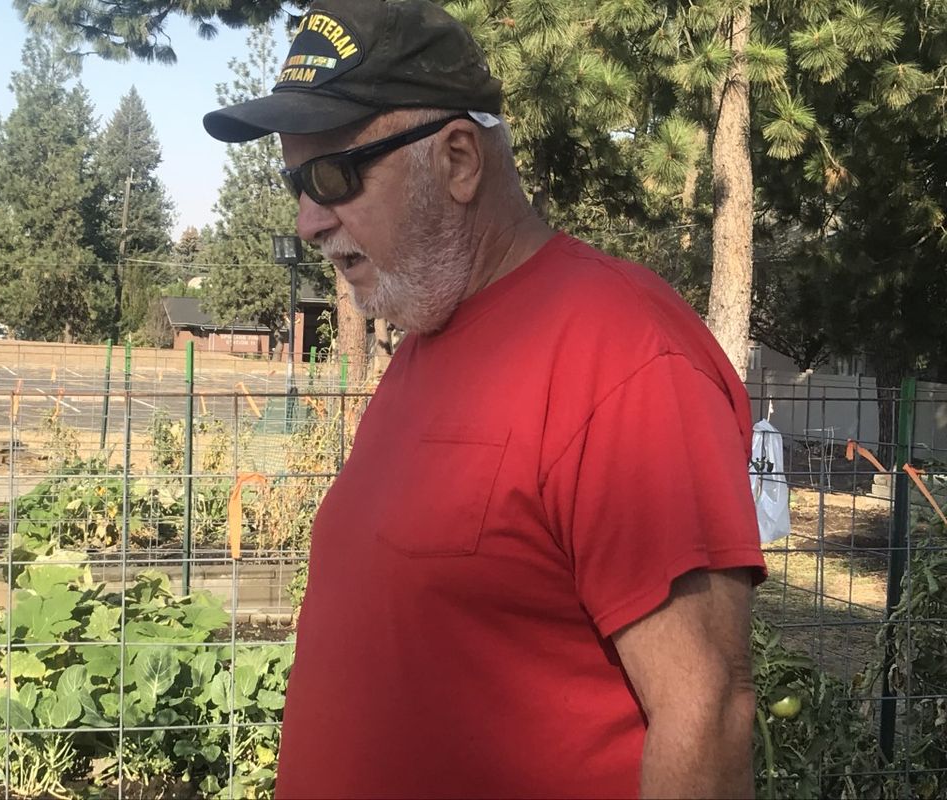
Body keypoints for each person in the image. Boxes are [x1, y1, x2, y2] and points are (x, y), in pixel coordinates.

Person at [204, 1, 766, 797]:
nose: (307, 220)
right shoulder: (430, 336)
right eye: (295, 182)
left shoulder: (626, 359)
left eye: (332, 177)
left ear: (459, 158)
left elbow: (706, 714)